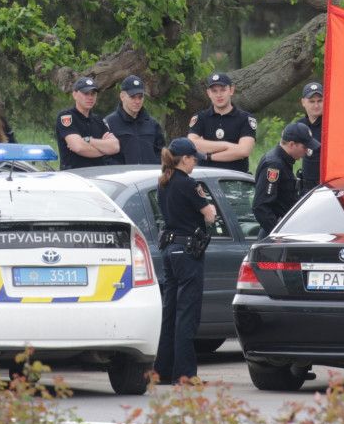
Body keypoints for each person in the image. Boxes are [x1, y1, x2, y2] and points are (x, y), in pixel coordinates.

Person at [153, 137, 217, 384]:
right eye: (193, 158)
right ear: (186, 159)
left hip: (169, 249)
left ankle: (163, 370)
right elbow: (210, 215)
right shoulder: (189, 184)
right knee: (187, 313)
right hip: (188, 251)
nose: (195, 163)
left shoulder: (163, 182)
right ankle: (185, 374)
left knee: (170, 311)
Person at [252, 122, 319, 237]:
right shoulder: (274, 165)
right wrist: (278, 234)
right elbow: (260, 206)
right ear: (292, 144)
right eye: (304, 147)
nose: (306, 151)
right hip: (274, 236)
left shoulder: (284, 162)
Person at [187, 72, 256, 173]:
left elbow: (244, 151)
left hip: (235, 178)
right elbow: (192, 144)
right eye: (214, 91)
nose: (219, 95)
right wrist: (227, 146)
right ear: (209, 93)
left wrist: (208, 156)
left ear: (231, 90)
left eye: (223, 90)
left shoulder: (246, 118)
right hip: (206, 178)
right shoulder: (200, 117)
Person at [55, 77, 119, 170]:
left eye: (93, 94)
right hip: (75, 176)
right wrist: (104, 150)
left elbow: (115, 146)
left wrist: (88, 141)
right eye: (86, 93)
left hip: (98, 175)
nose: (90, 97)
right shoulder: (66, 117)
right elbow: (78, 147)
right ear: (75, 95)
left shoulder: (98, 120)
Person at [104, 75, 165, 165]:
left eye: (140, 97)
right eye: (133, 97)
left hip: (149, 177)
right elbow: (105, 157)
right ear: (122, 96)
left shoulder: (153, 124)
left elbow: (162, 152)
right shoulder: (109, 123)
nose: (137, 101)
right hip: (123, 177)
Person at [296, 81, 323, 196]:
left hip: (326, 186)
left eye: (320, 101)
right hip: (306, 187)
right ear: (303, 102)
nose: (316, 105)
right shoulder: (299, 126)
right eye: (312, 101)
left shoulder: (332, 125)